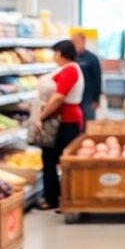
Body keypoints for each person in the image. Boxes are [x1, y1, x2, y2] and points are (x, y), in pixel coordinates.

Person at [34, 40, 84, 211]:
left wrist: (41, 116)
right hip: (61, 119)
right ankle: (59, 197)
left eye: (54, 52)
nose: (53, 56)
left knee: (56, 159)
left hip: (65, 120)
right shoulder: (66, 69)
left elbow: (58, 97)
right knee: (53, 158)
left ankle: (57, 199)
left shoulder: (71, 69)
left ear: (60, 53)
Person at [71, 32, 102, 123]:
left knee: (89, 124)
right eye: (73, 42)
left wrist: (96, 99)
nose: (75, 44)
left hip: (88, 99)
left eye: (77, 41)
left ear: (84, 42)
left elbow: (97, 79)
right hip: (74, 100)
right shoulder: (71, 59)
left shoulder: (92, 58)